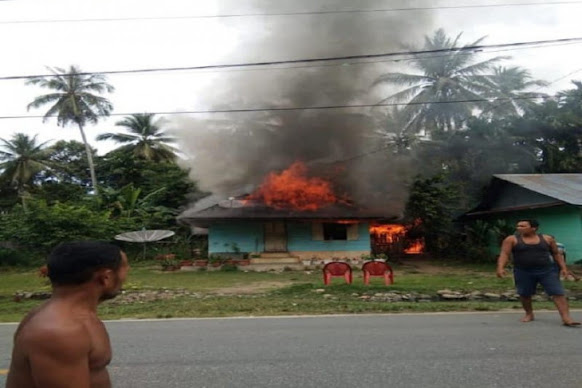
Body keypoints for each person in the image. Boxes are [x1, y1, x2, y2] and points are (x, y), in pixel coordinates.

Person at [6, 241, 130, 388]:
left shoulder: (75, 317)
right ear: (106, 277)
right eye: (125, 267)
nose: (127, 273)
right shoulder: (59, 331)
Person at [497, 219, 580, 326]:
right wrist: (500, 267)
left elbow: (556, 254)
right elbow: (504, 253)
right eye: (518, 226)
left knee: (557, 292)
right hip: (523, 271)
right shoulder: (511, 239)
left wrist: (564, 268)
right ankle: (529, 314)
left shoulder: (547, 239)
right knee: (525, 293)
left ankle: (566, 318)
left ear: (533, 228)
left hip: (547, 271)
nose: (519, 228)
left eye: (523, 226)